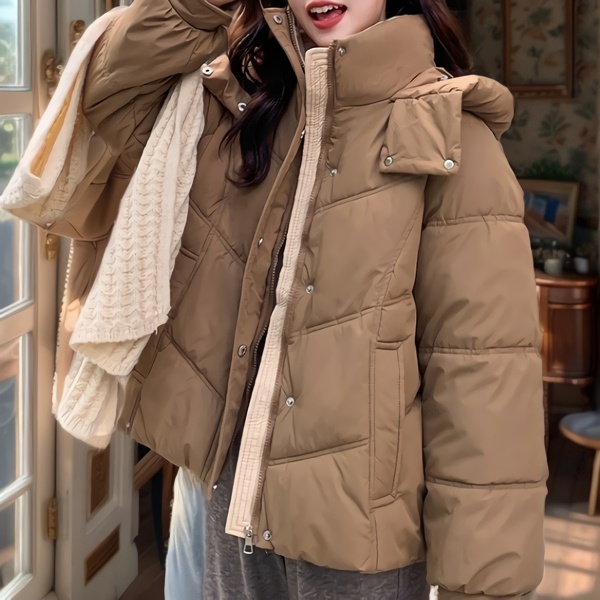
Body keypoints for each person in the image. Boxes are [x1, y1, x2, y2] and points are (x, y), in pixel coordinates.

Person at [27, 0, 553, 597]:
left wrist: (481, 587)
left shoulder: (453, 134)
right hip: (229, 503)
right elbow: (106, 95)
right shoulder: (238, 105)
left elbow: (481, 379)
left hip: (357, 546)